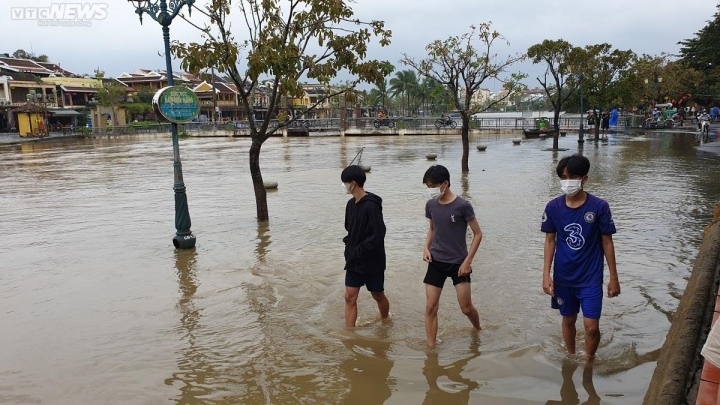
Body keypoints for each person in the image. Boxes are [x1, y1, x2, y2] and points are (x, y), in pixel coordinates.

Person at [541, 154, 620, 361]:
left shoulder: (599, 207)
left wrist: (613, 277)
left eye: (573, 176)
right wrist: (546, 275)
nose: (568, 181)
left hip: (590, 278)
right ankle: (571, 356)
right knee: (568, 320)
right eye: (564, 177)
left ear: (584, 178)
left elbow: (607, 242)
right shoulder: (553, 207)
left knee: (591, 327)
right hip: (563, 277)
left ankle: (588, 361)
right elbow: (550, 241)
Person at [422, 164, 482, 348]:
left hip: (459, 264)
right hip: (436, 261)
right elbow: (432, 228)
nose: (430, 190)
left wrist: (467, 261)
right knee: (431, 306)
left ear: (445, 183)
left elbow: (478, 234)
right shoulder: (431, 204)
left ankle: (478, 329)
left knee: (466, 308)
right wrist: (426, 247)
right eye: (428, 186)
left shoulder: (463, 206)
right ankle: (431, 348)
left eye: (433, 186)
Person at [341, 165, 390, 327]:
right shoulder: (350, 205)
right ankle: (350, 333)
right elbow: (349, 228)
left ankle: (385, 320)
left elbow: (377, 235)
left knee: (377, 294)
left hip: (372, 260)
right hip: (354, 260)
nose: (344, 186)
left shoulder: (372, 206)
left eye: (345, 183)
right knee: (349, 297)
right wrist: (349, 247)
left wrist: (358, 251)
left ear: (353, 184)